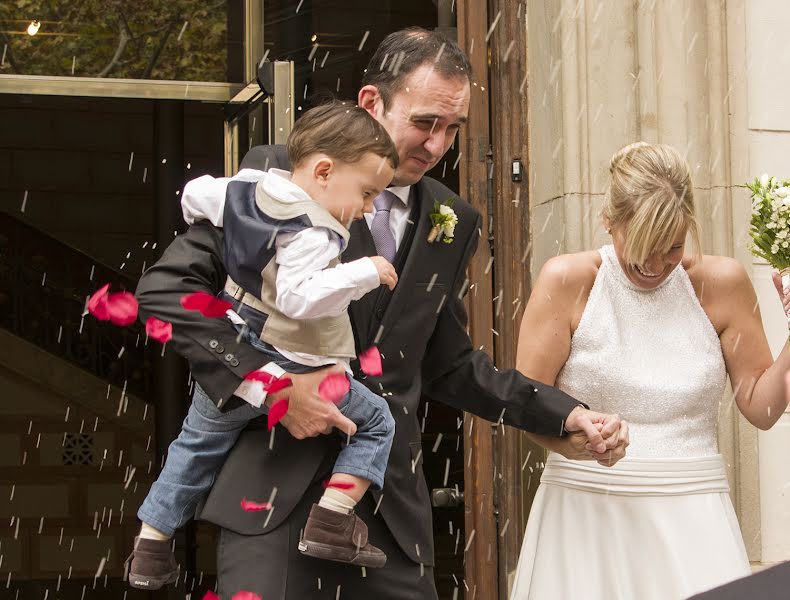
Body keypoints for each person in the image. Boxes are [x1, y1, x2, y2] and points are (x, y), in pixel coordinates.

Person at [135, 28, 626, 599]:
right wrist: (272, 386)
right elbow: (168, 292)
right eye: (424, 123)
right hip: (273, 504)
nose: (438, 145)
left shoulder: (453, 218)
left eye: (452, 129)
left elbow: (447, 364)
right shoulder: (283, 175)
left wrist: (561, 416)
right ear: (372, 103)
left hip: (391, 520)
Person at [127, 103, 403, 589]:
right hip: (286, 366)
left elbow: (195, 195)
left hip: (239, 327)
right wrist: (366, 271)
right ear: (324, 170)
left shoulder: (248, 189)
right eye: (366, 194)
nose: (366, 209)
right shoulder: (314, 227)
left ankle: (151, 546)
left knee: (193, 447)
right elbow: (292, 298)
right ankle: (333, 519)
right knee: (376, 419)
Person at [510, 142, 790, 600]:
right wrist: (577, 441)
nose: (657, 266)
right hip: (586, 514)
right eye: (641, 247)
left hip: (696, 519)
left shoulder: (723, 284)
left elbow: (762, 408)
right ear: (609, 220)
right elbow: (525, 405)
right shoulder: (566, 281)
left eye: (673, 247)